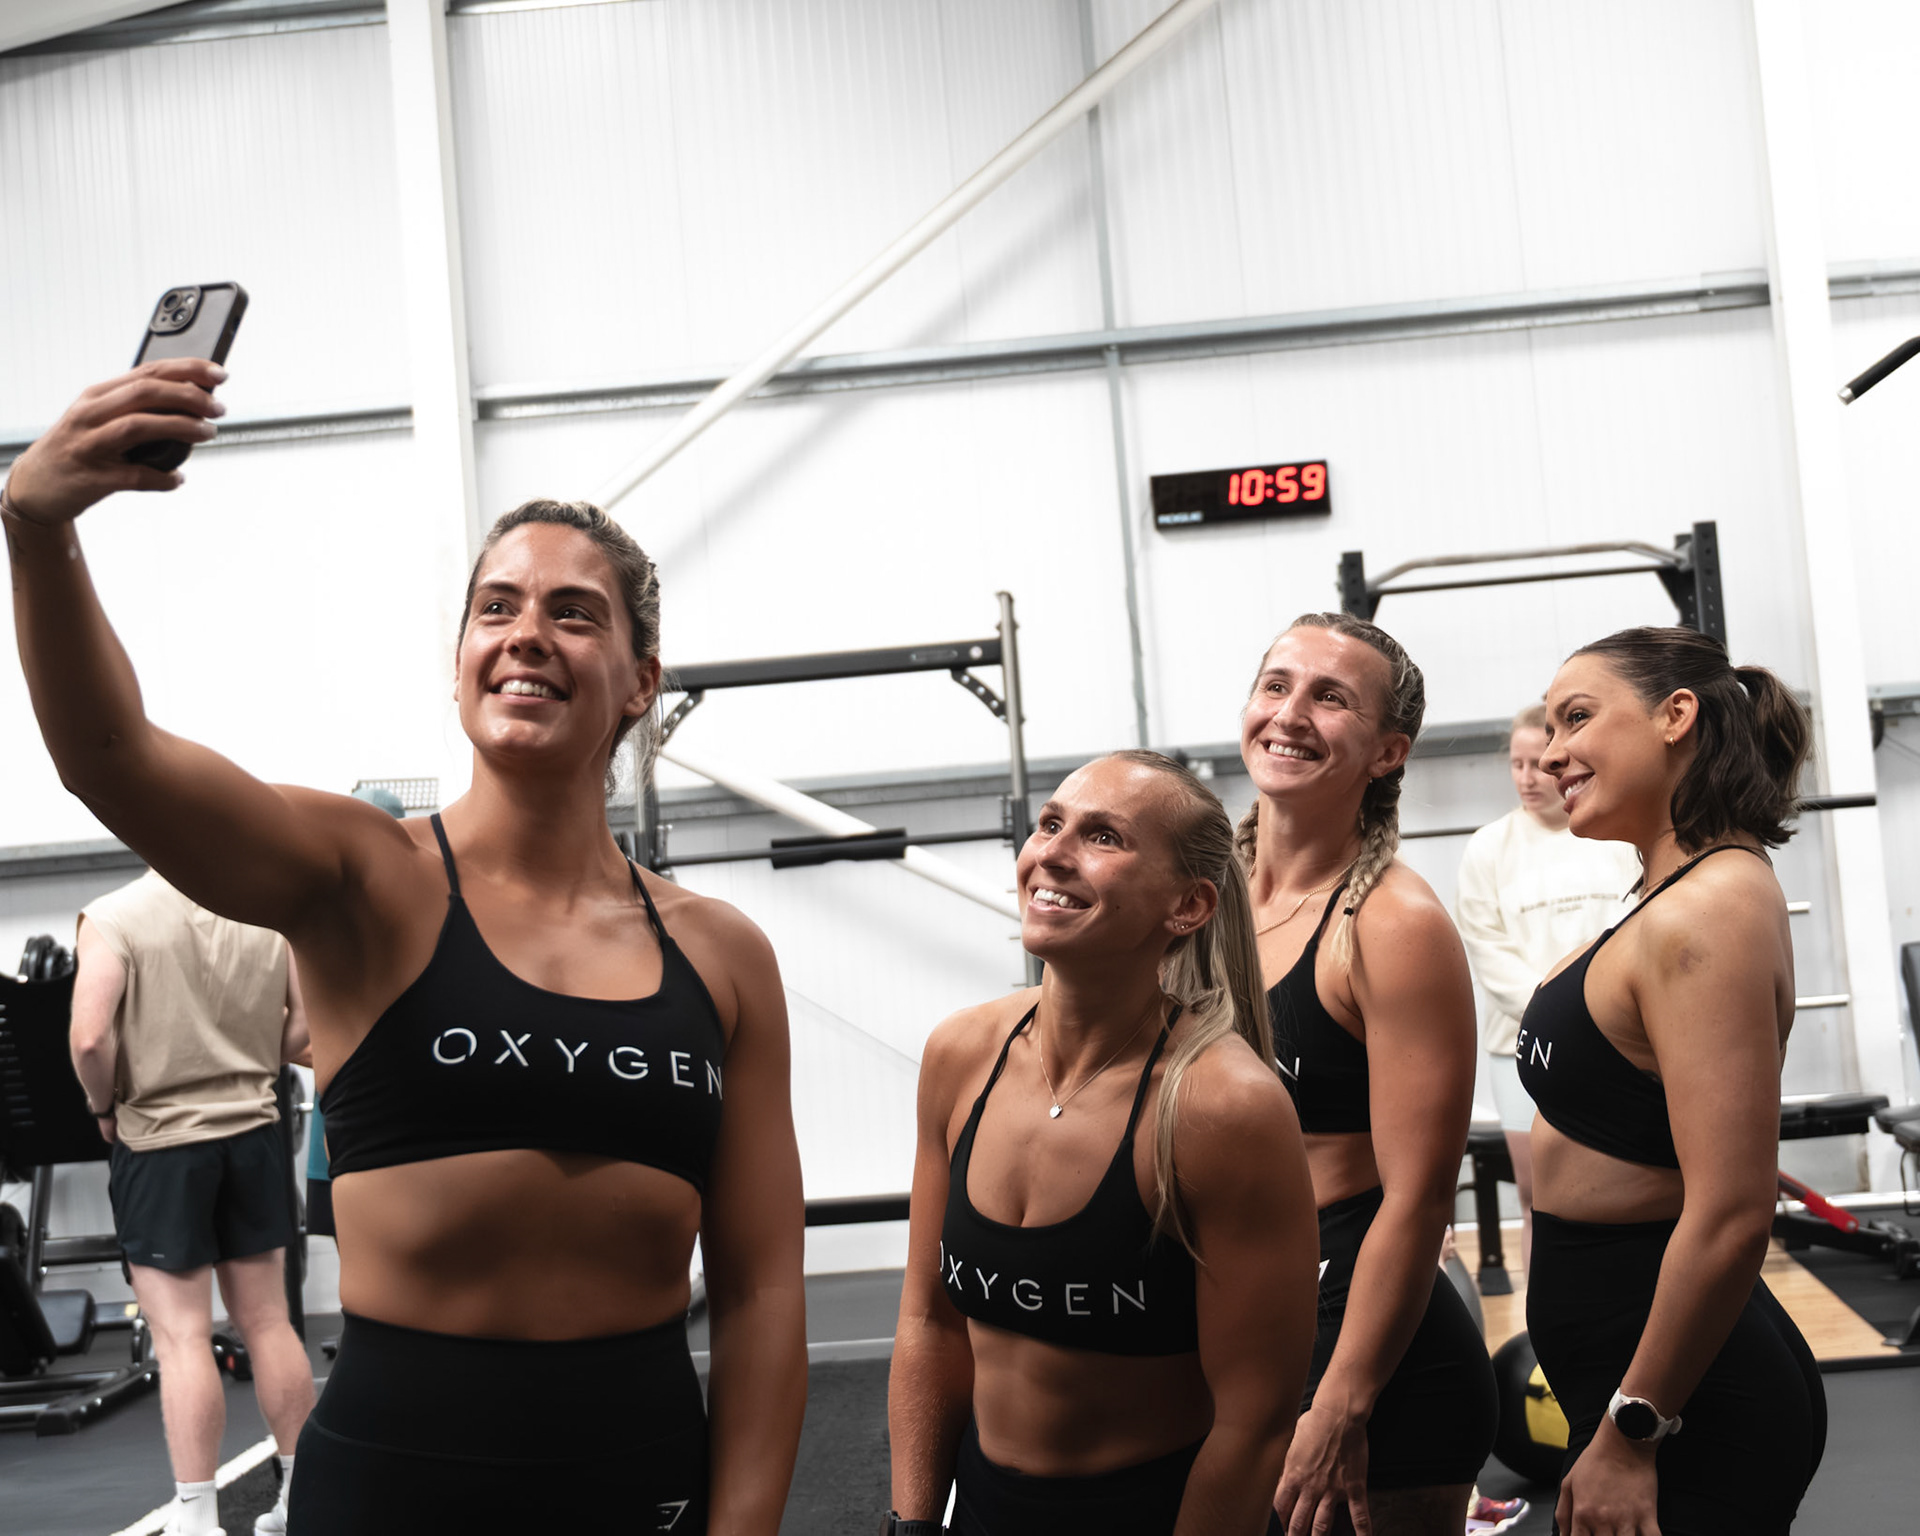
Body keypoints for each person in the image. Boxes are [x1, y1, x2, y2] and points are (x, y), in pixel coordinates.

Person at [3, 358, 806, 1534]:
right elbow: (112, 757)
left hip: (640, 1480)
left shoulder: (723, 956)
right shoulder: (362, 877)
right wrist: (37, 528)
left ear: (640, 683)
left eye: (573, 612)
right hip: (394, 1485)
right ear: (461, 659)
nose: (528, 635)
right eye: (499, 607)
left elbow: (761, 1287)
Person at [887, 751, 1319, 1536]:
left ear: (1188, 905)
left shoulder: (1225, 1107)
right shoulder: (961, 1054)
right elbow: (930, 1324)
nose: (1052, 853)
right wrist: (911, 1524)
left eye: (1102, 836)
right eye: (1049, 824)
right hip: (982, 1510)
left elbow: (1254, 1423)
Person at [1522, 627, 1826, 1535]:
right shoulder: (1670, 888)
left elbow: (1734, 1210)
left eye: (1577, 717)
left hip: (1683, 1405)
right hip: (1640, 1374)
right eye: (1549, 728)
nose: (1552, 753)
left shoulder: (1711, 904)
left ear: (1675, 716)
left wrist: (1633, 1431)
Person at [1237, 613, 1498, 1536]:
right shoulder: (1202, 897)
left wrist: (1343, 1401)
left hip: (1366, 1343)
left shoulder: (1391, 924)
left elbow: (1420, 1199)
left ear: (1388, 752)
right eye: (1277, 685)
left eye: (1330, 698)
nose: (1290, 714)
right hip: (1239, 1314)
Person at [70, 870, 313, 1536]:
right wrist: (248, 1057)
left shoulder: (114, 916)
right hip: (253, 1137)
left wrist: (102, 1106)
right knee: (270, 1323)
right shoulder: (264, 906)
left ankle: (198, 1517)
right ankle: (303, 1497)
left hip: (161, 1146)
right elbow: (306, 1022)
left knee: (182, 1338)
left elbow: (90, 1039)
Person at [1453, 703, 1638, 1270]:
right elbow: (1487, 950)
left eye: (1538, 763)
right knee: (1540, 1201)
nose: (1528, 777)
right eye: (1516, 764)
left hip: (1616, 1038)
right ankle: (1546, 1322)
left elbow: (1634, 932)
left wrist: (1601, 1015)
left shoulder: (1614, 837)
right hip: (1523, 1043)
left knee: (1624, 1194)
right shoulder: (1488, 848)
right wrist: (1560, 1015)